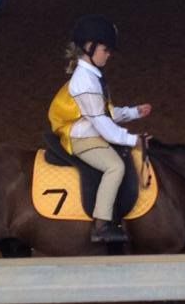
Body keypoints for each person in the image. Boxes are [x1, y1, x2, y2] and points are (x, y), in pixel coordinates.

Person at [48, 16, 152, 244]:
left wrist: (134, 112)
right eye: (106, 49)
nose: (108, 54)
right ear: (90, 47)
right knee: (114, 167)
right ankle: (101, 225)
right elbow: (103, 124)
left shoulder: (93, 77)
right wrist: (132, 139)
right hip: (82, 138)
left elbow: (106, 112)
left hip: (91, 130)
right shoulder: (84, 81)